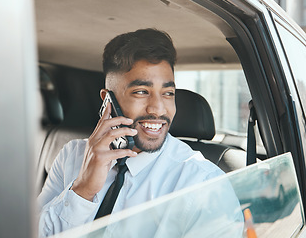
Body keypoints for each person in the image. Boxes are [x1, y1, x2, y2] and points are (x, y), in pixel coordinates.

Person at [38, 28, 243, 237]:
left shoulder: (203, 184)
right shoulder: (71, 156)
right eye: (141, 92)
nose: (158, 109)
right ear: (107, 100)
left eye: (168, 93)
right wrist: (82, 191)